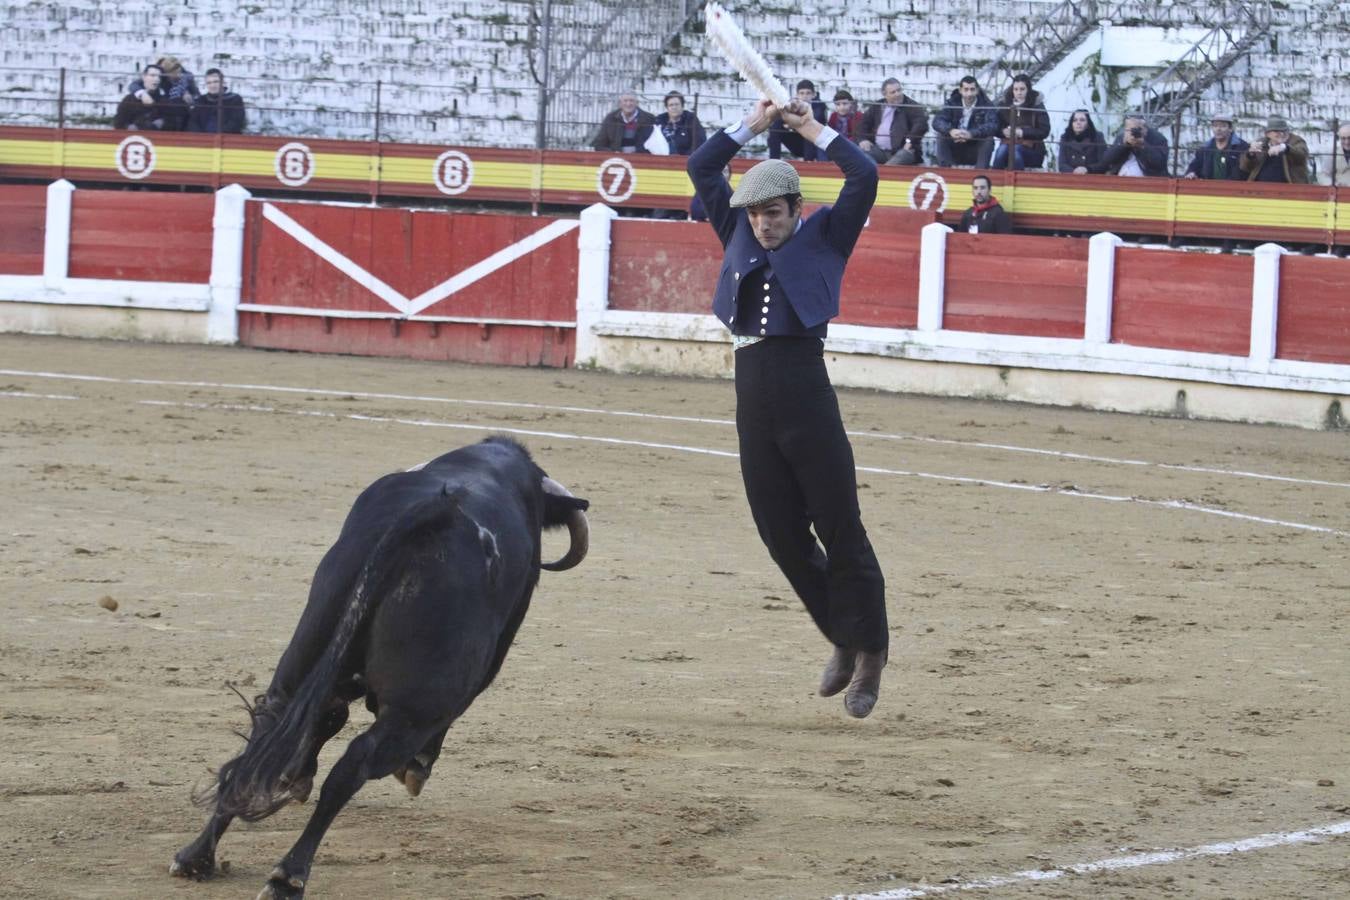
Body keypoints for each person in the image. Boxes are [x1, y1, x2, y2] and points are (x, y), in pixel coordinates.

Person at [687, 98, 888, 719]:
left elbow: (866, 177)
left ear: (796, 209)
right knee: (781, 536)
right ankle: (842, 636)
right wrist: (753, 124)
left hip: (806, 390)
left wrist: (809, 129)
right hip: (752, 398)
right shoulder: (737, 229)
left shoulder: (829, 233)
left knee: (840, 528)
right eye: (754, 215)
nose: (762, 225)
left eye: (772, 214)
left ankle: (871, 652)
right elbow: (702, 167)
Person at [931, 75, 998, 169]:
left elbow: (992, 125)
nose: (969, 93)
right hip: (955, 144)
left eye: (972, 89)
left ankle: (981, 173)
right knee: (941, 135)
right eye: (966, 89)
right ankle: (946, 171)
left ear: (977, 90)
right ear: (960, 90)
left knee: (989, 139)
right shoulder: (952, 103)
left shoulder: (986, 105)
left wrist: (971, 134)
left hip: (974, 147)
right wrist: (951, 131)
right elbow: (937, 121)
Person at [858, 77, 928, 165]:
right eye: (893, 92)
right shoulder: (877, 106)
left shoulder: (912, 106)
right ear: (885, 94)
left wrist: (909, 142)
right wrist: (862, 139)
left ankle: (881, 173)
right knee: (859, 151)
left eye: (899, 90)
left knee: (904, 155)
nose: (897, 94)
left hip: (903, 150)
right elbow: (863, 123)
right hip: (879, 150)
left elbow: (921, 125)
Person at [990, 74, 1050, 170]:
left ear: (1028, 89)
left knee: (1015, 151)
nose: (1019, 92)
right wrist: (1003, 131)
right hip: (1007, 143)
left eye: (1022, 89)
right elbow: (995, 126)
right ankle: (995, 181)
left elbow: (1044, 130)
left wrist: (1022, 132)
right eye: (1016, 89)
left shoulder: (1037, 105)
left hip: (1032, 149)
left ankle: (1019, 182)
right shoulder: (1004, 104)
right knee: (1001, 151)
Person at [1090, 114, 1170, 177]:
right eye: (1129, 129)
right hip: (1120, 179)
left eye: (1136, 129)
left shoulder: (1158, 139)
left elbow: (1160, 163)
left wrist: (1143, 145)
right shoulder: (1121, 137)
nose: (1132, 133)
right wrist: (1122, 145)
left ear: (1145, 128)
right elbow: (1106, 160)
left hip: (1148, 181)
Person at [767, 79, 828, 160]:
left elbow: (812, 120)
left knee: (809, 128)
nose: (805, 96)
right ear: (797, 95)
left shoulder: (819, 106)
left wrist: (792, 124)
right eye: (802, 93)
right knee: (775, 127)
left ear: (813, 95)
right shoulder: (794, 105)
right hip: (798, 144)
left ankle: (808, 164)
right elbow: (782, 120)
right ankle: (773, 161)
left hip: (814, 147)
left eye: (808, 93)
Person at [1241, 116, 1310, 183]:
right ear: (1268, 134)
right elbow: (1244, 167)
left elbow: (1302, 154)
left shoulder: (1296, 141)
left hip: (1289, 189)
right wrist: (1250, 155)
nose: (1282, 134)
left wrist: (1285, 148)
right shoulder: (1261, 143)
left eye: (1284, 131)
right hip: (1260, 188)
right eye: (1277, 131)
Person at [1183, 113, 1248, 180]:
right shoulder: (1205, 148)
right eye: (1215, 126)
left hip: (1234, 188)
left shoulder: (1241, 147)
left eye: (1223, 126)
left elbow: (1244, 171)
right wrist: (1191, 173)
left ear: (1230, 129)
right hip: (1209, 187)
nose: (1218, 129)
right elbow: (1195, 166)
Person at [592, 92, 657, 153]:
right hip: (617, 159)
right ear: (620, 103)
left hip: (640, 159)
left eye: (631, 101)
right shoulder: (610, 118)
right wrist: (613, 153)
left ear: (637, 103)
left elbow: (654, 144)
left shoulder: (649, 118)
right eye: (625, 101)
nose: (628, 104)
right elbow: (599, 145)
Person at [187, 68, 246, 134]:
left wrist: (217, 135)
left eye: (216, 82)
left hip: (227, 139)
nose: (212, 85)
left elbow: (236, 122)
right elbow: (193, 122)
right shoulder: (201, 100)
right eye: (209, 83)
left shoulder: (235, 99)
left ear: (223, 82)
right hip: (202, 140)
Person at [112, 63, 169, 131]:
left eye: (159, 77)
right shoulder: (129, 99)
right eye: (152, 75)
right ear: (144, 77)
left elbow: (169, 124)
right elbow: (118, 124)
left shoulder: (164, 101)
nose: (157, 79)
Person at [653, 91, 706, 156]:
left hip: (684, 160)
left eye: (677, 104)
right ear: (667, 108)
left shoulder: (690, 119)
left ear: (682, 106)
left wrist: (682, 157)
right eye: (671, 105)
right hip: (660, 159)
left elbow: (699, 143)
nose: (674, 107)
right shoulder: (659, 120)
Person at [1057, 109, 1106, 174]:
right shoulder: (1065, 138)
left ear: (1088, 123)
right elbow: (1062, 164)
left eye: (1082, 120)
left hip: (1092, 178)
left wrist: (1087, 169)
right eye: (1075, 120)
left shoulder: (1097, 137)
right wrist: (1074, 171)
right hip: (1071, 177)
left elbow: (1103, 163)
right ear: (1071, 123)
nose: (1078, 123)